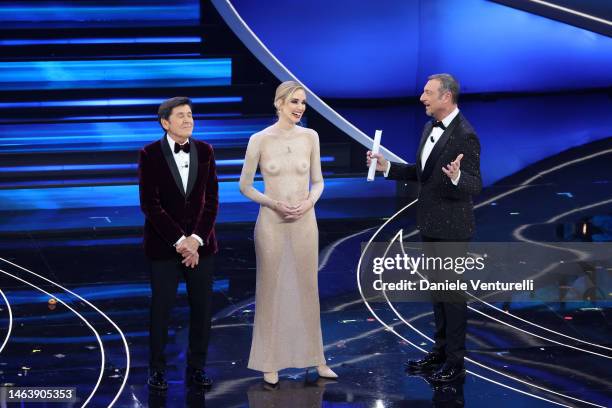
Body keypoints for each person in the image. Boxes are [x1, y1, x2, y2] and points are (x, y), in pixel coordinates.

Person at [367, 73, 482, 383]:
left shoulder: (465, 135)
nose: (422, 97)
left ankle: (455, 360)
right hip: (430, 224)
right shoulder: (429, 126)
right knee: (437, 294)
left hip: (453, 229)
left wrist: (458, 177)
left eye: (428, 92)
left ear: (446, 97)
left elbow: (474, 184)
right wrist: (387, 168)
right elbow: (424, 172)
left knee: (452, 297)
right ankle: (440, 351)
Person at [239, 81, 338, 386]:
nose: (299, 108)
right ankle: (270, 361)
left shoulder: (311, 136)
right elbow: (245, 186)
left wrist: (309, 201)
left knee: (308, 289)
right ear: (279, 103)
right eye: (294, 102)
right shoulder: (259, 139)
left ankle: (317, 358)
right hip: (271, 221)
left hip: (305, 222)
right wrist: (273, 203)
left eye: (303, 103)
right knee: (271, 290)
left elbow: (318, 182)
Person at [138, 96, 218, 390]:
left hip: (202, 246)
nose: (188, 120)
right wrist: (180, 241)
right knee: (161, 309)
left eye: (190, 115)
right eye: (181, 116)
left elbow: (211, 201)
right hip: (163, 247)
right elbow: (150, 205)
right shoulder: (149, 154)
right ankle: (157, 369)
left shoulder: (206, 151)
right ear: (165, 122)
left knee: (202, 309)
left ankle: (197, 367)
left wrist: (196, 240)